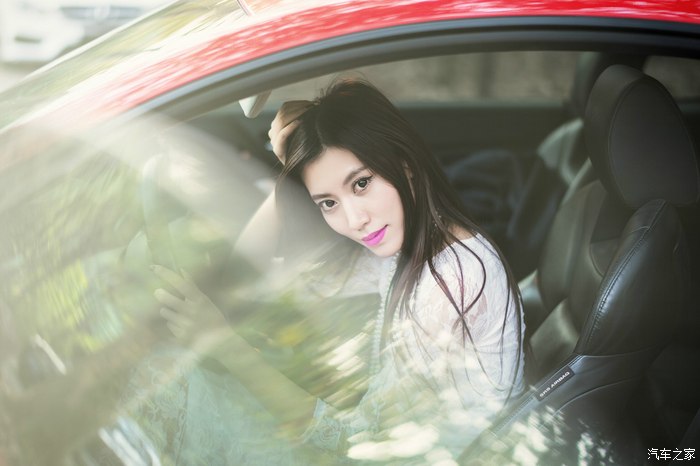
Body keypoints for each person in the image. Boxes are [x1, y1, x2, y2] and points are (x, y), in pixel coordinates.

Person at [141, 79, 525, 465]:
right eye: (328, 202)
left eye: (361, 184)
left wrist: (225, 344)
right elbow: (256, 273)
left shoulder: (454, 279)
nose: (354, 220)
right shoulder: (408, 246)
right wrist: (290, 167)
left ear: (405, 166)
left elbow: (354, 440)